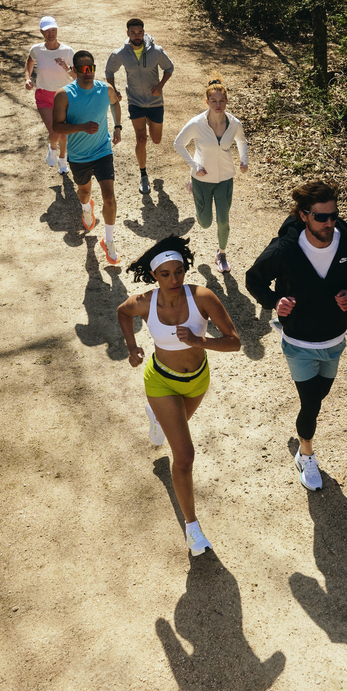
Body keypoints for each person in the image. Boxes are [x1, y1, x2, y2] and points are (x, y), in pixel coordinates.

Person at [245, 181, 347, 492]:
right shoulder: (285, 251)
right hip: (299, 342)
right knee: (311, 404)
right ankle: (306, 455)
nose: (329, 223)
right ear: (304, 216)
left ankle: (304, 432)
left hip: (334, 339)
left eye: (333, 216)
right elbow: (254, 280)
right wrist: (275, 301)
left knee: (319, 396)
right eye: (321, 217)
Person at [117, 237, 241, 556]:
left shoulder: (202, 297)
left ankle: (157, 421)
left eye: (179, 271)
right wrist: (132, 347)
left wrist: (201, 341)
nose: (174, 280)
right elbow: (122, 312)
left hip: (196, 381)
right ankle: (193, 528)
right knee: (184, 456)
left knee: (175, 430)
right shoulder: (144, 302)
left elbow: (234, 342)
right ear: (154, 276)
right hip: (161, 382)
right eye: (166, 274)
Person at [52, 51, 125, 264]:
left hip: (103, 150)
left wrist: (118, 126)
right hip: (79, 155)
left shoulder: (105, 89)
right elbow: (57, 126)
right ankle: (86, 207)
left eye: (90, 68)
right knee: (84, 191)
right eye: (82, 69)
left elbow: (115, 102)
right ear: (74, 70)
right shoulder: (64, 94)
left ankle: (108, 241)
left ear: (94, 68)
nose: (87, 73)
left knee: (109, 196)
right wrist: (81, 127)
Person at [173, 72, 249, 273]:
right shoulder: (197, 123)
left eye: (222, 100)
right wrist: (194, 165)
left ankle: (221, 254)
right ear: (207, 101)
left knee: (223, 220)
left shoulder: (234, 124)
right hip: (202, 178)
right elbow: (178, 143)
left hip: (225, 178)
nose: (218, 105)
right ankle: (192, 187)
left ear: (226, 101)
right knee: (205, 223)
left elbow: (242, 141)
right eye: (213, 101)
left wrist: (244, 160)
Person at [104, 18, 175, 196]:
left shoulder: (156, 51)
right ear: (127, 33)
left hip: (155, 102)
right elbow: (109, 71)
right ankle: (143, 175)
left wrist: (160, 86)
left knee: (156, 139)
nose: (137, 36)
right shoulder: (120, 53)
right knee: (141, 139)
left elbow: (169, 68)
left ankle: (151, 123)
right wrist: (113, 90)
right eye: (133, 32)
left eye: (140, 32)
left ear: (144, 32)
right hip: (135, 101)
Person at [23, 16, 77, 171]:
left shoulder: (67, 51)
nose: (51, 33)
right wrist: (27, 78)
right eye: (47, 30)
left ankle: (62, 160)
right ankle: (52, 147)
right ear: (41, 32)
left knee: (63, 132)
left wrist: (65, 67)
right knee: (54, 132)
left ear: (57, 30)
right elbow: (29, 61)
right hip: (44, 96)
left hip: (64, 97)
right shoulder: (36, 49)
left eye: (53, 29)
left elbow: (77, 76)